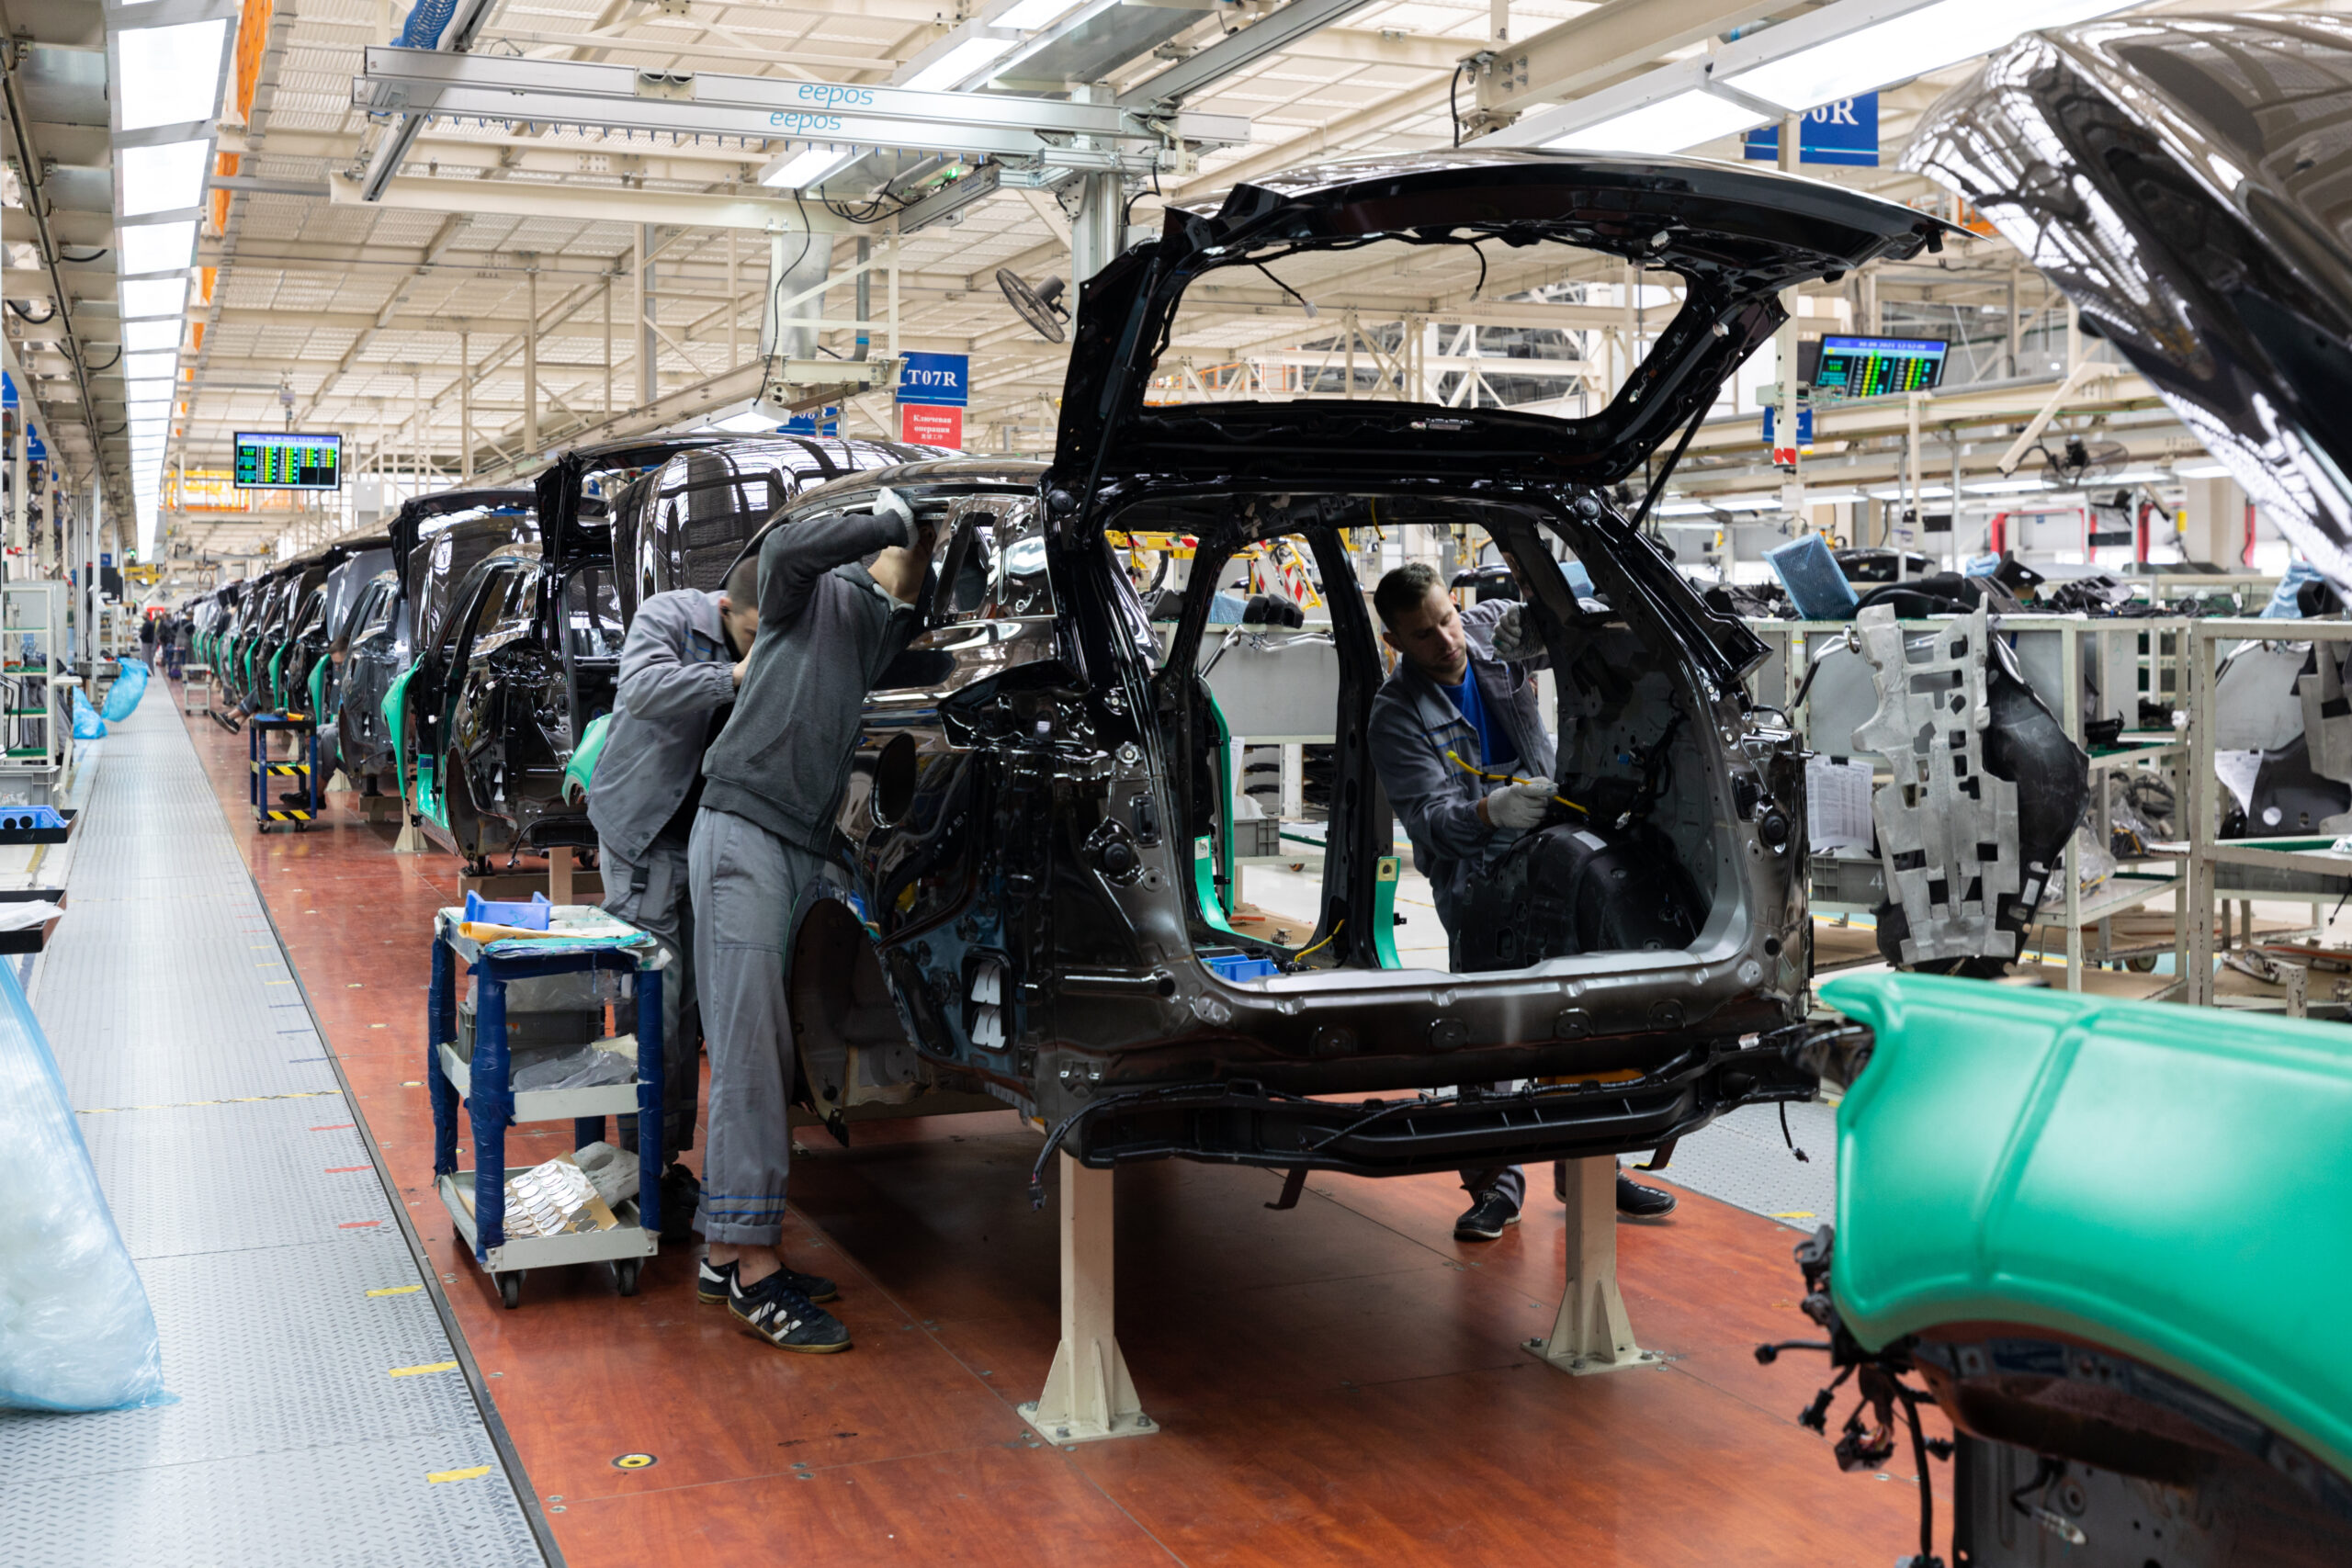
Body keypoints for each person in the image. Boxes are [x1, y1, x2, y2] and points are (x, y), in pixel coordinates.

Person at [689, 487, 934, 1353]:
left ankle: (727, 1249)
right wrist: (896, 512)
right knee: (751, 1051)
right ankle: (754, 1266)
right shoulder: (817, 585)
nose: (916, 563)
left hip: (795, 840)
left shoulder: (893, 621)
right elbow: (789, 544)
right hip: (745, 829)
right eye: (910, 546)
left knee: (771, 1051)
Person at [1365, 560, 1677, 1241]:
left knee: (1585, 1004)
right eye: (1423, 634)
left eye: (1447, 618)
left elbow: (1584, 616)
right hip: (1477, 875)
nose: (1446, 640)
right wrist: (1490, 810)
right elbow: (1431, 823)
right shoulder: (1394, 715)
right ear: (1396, 641)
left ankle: (1589, 1162)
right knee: (1487, 1033)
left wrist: (1542, 626)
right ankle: (1493, 1182)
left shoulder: (1482, 629)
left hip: (1553, 834)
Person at [585, 560, 762, 1241]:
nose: (754, 648)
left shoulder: (761, 639)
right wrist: (735, 677)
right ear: (726, 608)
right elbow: (645, 687)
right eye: (749, 633)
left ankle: (659, 1162)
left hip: (701, 845)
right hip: (643, 835)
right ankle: (635, 1168)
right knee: (649, 1005)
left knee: (687, 1012)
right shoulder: (668, 616)